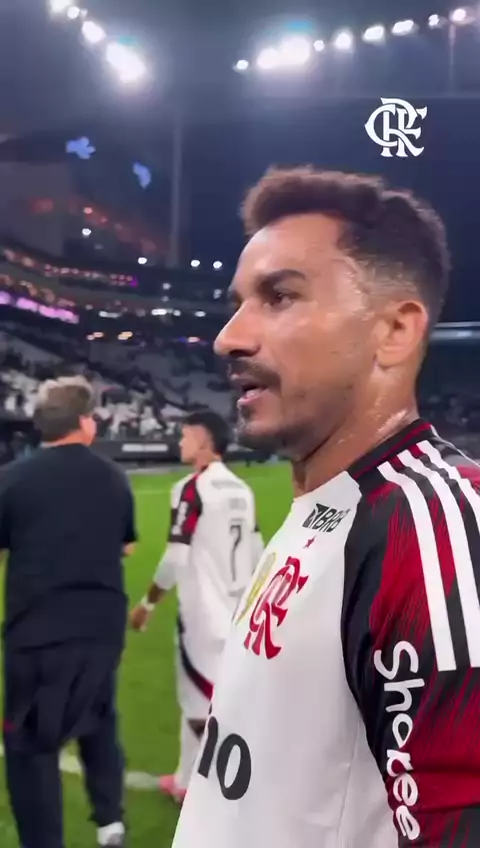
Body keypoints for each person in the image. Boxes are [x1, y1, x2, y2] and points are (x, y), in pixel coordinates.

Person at [172, 167, 480, 848]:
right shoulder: (327, 508)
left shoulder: (428, 522)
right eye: (238, 303)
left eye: (279, 296)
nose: (229, 337)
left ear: (394, 330)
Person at [0, 377, 137, 848]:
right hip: (101, 628)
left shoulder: (13, 478)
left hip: (38, 632)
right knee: (98, 716)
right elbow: (127, 546)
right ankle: (110, 822)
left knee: (31, 745)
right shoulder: (113, 477)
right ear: (85, 422)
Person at [130, 409, 263, 802]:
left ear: (204, 441)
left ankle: (220, 788)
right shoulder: (242, 489)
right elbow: (257, 550)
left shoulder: (192, 489)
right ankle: (185, 779)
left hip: (202, 615)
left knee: (199, 708)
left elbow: (175, 557)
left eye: (186, 436)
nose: (180, 442)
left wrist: (147, 603)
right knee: (207, 698)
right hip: (238, 609)